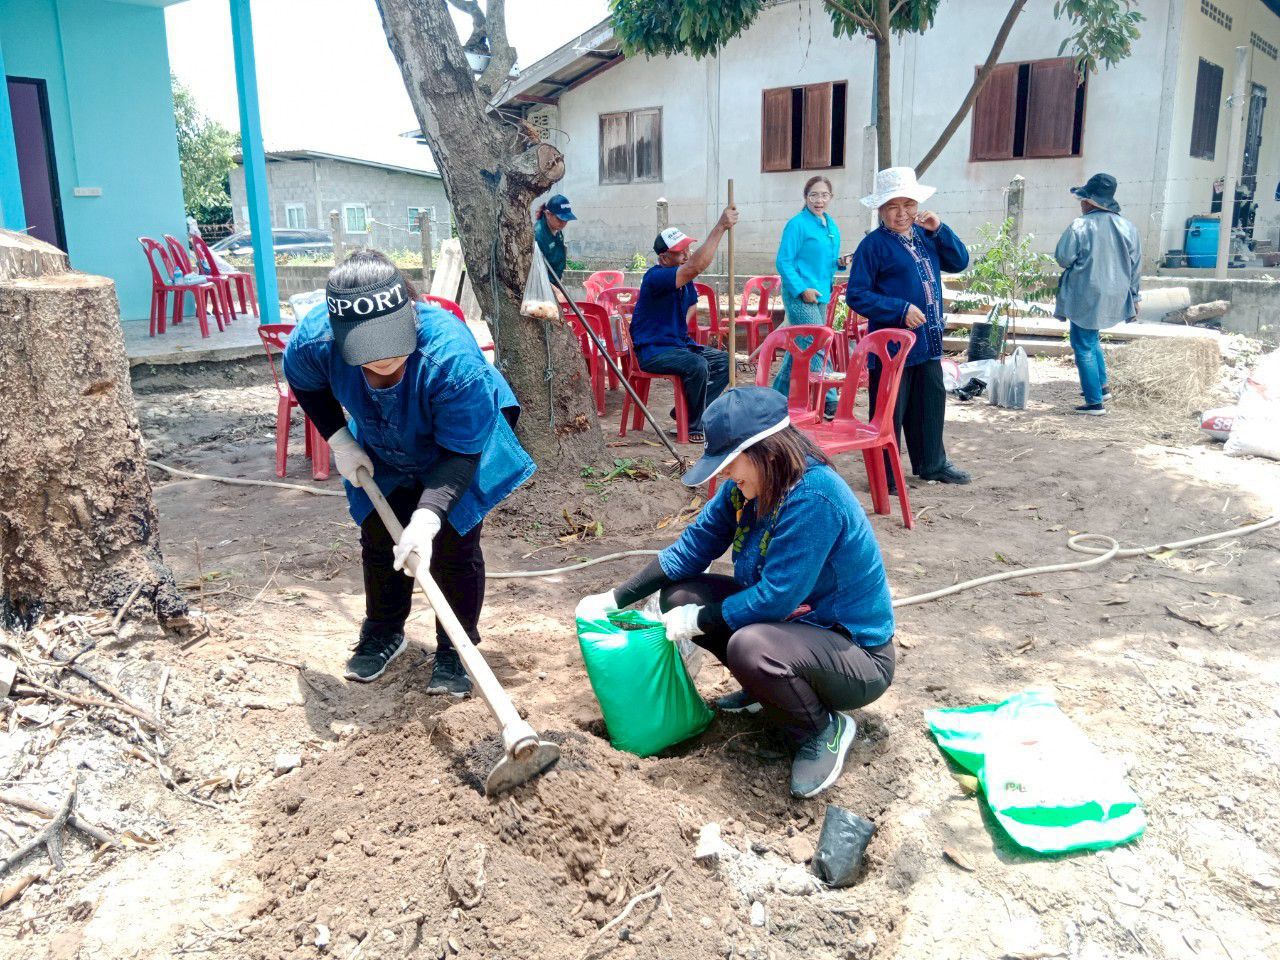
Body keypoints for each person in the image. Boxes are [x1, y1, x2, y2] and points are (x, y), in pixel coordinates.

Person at [576, 387, 895, 799]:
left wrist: (700, 622)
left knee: (750, 645)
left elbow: (776, 597)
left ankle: (822, 731)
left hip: (855, 658)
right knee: (680, 597)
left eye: (730, 465)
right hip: (793, 631)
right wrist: (615, 598)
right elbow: (692, 548)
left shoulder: (814, 497)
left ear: (765, 451)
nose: (727, 477)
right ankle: (769, 693)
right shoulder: (747, 490)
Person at [284, 250, 535, 696]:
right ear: (339, 336)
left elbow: (460, 454)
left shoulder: (453, 361)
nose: (383, 360)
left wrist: (428, 516)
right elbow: (305, 382)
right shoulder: (314, 341)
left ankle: (456, 647)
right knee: (380, 535)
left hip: (459, 442)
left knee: (455, 542)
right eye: (367, 352)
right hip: (379, 434)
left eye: (394, 346)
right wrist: (339, 439)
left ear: (410, 315)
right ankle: (384, 630)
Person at [847, 167, 970, 486]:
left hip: (927, 342)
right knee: (890, 409)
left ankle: (932, 463)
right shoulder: (872, 246)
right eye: (893, 206)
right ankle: (884, 474)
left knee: (930, 401)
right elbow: (857, 295)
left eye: (908, 204)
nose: (902, 213)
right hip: (890, 347)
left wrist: (940, 228)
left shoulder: (928, 235)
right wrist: (899, 309)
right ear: (881, 210)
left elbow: (959, 262)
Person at [629, 208, 739, 443]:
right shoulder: (655, 276)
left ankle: (686, 412)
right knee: (696, 364)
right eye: (680, 252)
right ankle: (691, 424)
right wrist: (720, 227)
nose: (687, 255)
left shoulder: (685, 282)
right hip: (653, 351)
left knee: (725, 362)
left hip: (677, 345)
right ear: (664, 258)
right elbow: (696, 267)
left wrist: (676, 326)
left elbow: (691, 305)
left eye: (687, 249)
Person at [1054, 173, 1142, 416]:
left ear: (1089, 202)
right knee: (1091, 339)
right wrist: (1135, 297)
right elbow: (1136, 266)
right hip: (1116, 291)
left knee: (1082, 343)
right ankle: (1102, 387)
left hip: (1086, 291)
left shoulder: (1080, 225)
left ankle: (1094, 402)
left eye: (1082, 199)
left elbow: (1063, 258)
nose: (1080, 204)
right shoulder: (1128, 226)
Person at [772, 176, 852, 416]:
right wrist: (801, 289)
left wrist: (839, 263)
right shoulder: (797, 224)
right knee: (818, 341)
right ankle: (829, 398)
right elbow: (783, 261)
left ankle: (775, 398)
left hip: (821, 293)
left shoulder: (831, 225)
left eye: (824, 195)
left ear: (831, 197)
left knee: (801, 347)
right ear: (805, 197)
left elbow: (822, 260)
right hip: (800, 294)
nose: (819, 200)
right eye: (813, 195)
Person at [534, 194, 576, 280]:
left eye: (566, 219)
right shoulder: (538, 235)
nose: (563, 223)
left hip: (557, 279)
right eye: (560, 219)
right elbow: (538, 272)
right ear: (548, 214)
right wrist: (557, 292)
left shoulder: (557, 228)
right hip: (545, 285)